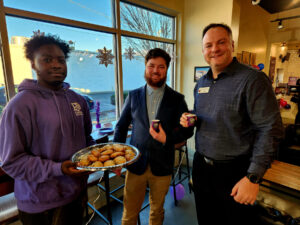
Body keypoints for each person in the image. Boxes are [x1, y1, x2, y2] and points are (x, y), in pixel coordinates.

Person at [180, 23, 283, 225]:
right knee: (206, 220)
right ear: (203, 51)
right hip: (201, 166)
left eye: (221, 42)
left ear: (232, 45)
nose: (214, 49)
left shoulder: (253, 79)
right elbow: (208, 113)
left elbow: (270, 129)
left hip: (235, 172)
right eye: (208, 45)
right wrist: (190, 117)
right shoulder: (201, 83)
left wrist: (253, 178)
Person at [0, 34, 94, 225]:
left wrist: (101, 161)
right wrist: (58, 169)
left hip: (76, 194)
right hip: (40, 204)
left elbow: (87, 141)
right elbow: (11, 162)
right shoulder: (19, 106)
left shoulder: (78, 100)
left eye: (61, 60)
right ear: (33, 65)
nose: (56, 65)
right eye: (47, 59)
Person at [113, 48, 193, 225]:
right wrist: (117, 159)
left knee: (157, 211)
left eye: (161, 67)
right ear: (145, 67)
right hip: (135, 165)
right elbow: (121, 127)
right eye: (151, 66)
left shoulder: (177, 99)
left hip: (163, 165)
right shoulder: (133, 96)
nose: (155, 70)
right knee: (129, 212)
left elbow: (187, 131)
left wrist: (167, 138)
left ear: (167, 69)